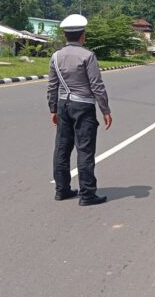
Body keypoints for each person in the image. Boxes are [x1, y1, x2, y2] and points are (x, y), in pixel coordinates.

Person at [47, 14, 113, 206]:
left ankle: (62, 189)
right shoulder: (88, 56)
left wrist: (53, 108)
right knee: (84, 149)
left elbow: (52, 85)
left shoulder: (56, 56)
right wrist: (105, 110)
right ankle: (87, 194)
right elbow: (97, 85)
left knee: (62, 148)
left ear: (66, 36)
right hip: (83, 106)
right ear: (82, 36)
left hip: (63, 104)